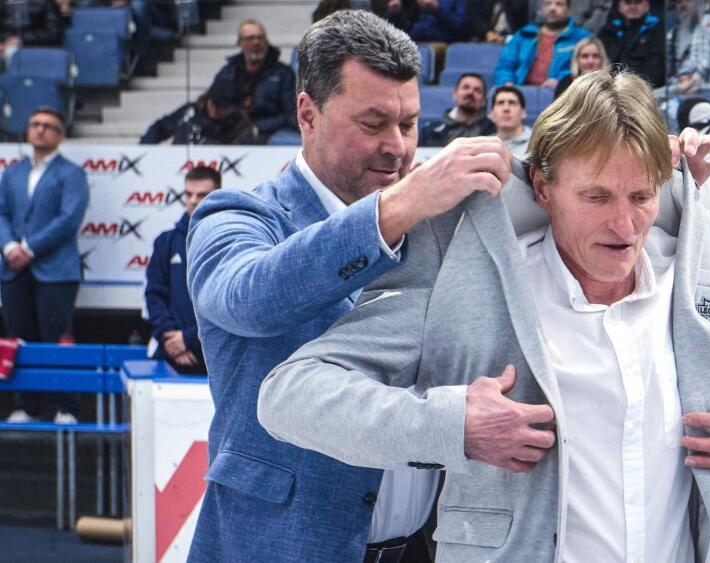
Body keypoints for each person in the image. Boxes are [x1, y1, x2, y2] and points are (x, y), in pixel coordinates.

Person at [257, 70, 710, 563]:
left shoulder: (690, 269)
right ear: (544, 188)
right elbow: (289, 394)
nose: (625, 226)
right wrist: (452, 426)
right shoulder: (467, 279)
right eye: (596, 197)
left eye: (641, 197)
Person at [185, 10, 515, 563]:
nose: (398, 147)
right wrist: (396, 209)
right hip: (278, 549)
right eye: (373, 123)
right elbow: (250, 299)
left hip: (425, 547)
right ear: (307, 113)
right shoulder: (235, 216)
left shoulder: (433, 227)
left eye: (408, 124)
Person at [0, 107, 87, 424]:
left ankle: (67, 407)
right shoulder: (12, 173)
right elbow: (1, 213)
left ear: (60, 135)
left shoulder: (72, 174)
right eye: (35, 124)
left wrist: (29, 248)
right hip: (13, 270)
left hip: (56, 271)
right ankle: (28, 407)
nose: (40, 130)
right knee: (18, 337)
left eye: (48, 126)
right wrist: (9, 247)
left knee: (56, 339)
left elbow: (69, 219)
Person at [144, 166, 220, 375]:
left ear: (217, 196)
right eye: (188, 194)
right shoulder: (165, 242)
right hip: (171, 356)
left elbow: (228, 305)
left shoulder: (230, 240)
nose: (193, 200)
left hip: (217, 357)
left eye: (201, 195)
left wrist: (189, 339)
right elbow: (154, 295)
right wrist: (171, 340)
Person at [211, 20, 297, 141]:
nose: (256, 42)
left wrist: (258, 127)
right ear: (239, 43)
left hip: (266, 134)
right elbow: (212, 104)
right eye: (250, 38)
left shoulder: (284, 74)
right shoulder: (228, 72)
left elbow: (292, 114)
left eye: (260, 38)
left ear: (266, 42)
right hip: (229, 130)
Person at [493, 0, 591, 87]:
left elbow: (587, 70)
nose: (552, 8)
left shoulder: (581, 37)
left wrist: (562, 83)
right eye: (548, 3)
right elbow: (505, 66)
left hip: (562, 95)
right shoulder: (524, 35)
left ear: (568, 10)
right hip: (522, 92)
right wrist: (507, 83)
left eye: (559, 4)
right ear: (542, 8)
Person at [139, 79, 258, 145]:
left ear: (233, 108)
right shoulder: (191, 111)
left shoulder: (241, 127)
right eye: (213, 103)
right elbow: (160, 127)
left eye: (222, 107)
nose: (215, 110)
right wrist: (144, 148)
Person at [597, 0, 665, 87]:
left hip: (642, 87)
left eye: (638, 2)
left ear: (647, 6)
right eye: (628, 2)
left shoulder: (658, 30)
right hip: (609, 85)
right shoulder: (609, 30)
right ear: (619, 7)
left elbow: (656, 69)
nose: (633, 7)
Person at [418, 72, 495, 147]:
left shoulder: (494, 130)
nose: (470, 92)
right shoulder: (429, 132)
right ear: (455, 94)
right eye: (465, 87)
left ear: (484, 101)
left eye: (477, 90)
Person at [382, 0, 471, 43]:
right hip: (412, 43)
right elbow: (405, 30)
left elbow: (461, 29)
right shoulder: (412, 3)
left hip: (444, 44)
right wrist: (394, 14)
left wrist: (438, 9)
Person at [490, 85, 531, 157]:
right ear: (491, 114)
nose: (506, 108)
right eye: (500, 103)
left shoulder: (538, 144)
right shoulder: (483, 145)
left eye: (512, 103)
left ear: (523, 113)